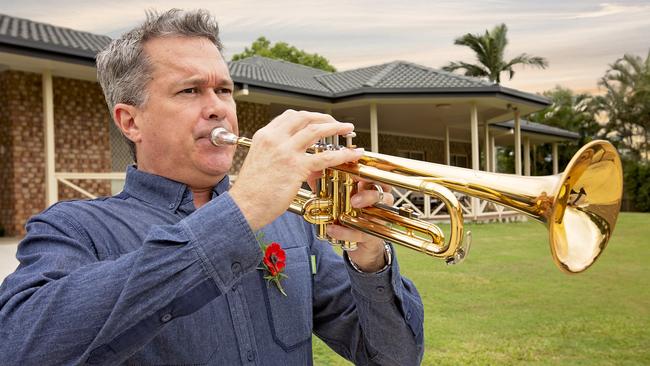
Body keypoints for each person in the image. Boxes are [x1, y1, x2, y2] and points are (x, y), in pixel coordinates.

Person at [0, 9, 424, 365]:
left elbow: (392, 356)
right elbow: (20, 346)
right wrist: (240, 213)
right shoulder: (73, 228)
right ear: (130, 121)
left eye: (223, 89)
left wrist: (370, 256)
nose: (218, 107)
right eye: (190, 90)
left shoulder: (290, 224)